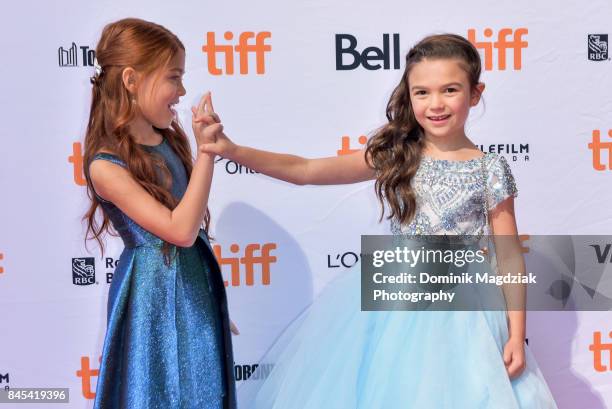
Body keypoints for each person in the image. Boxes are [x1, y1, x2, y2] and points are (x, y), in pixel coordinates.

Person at [199, 34, 558, 408]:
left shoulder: (490, 169)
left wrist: (517, 334)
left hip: (466, 315)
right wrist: (232, 149)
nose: (435, 104)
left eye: (450, 90)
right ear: (409, 95)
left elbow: (510, 256)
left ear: (475, 93)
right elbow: (306, 170)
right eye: (422, 92)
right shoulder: (395, 155)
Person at [83, 18, 236, 409]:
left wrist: (208, 309)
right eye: (173, 77)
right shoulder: (106, 165)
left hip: (193, 288)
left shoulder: (169, 138)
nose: (182, 90)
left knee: (202, 392)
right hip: (150, 298)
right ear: (132, 80)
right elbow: (180, 230)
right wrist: (207, 153)